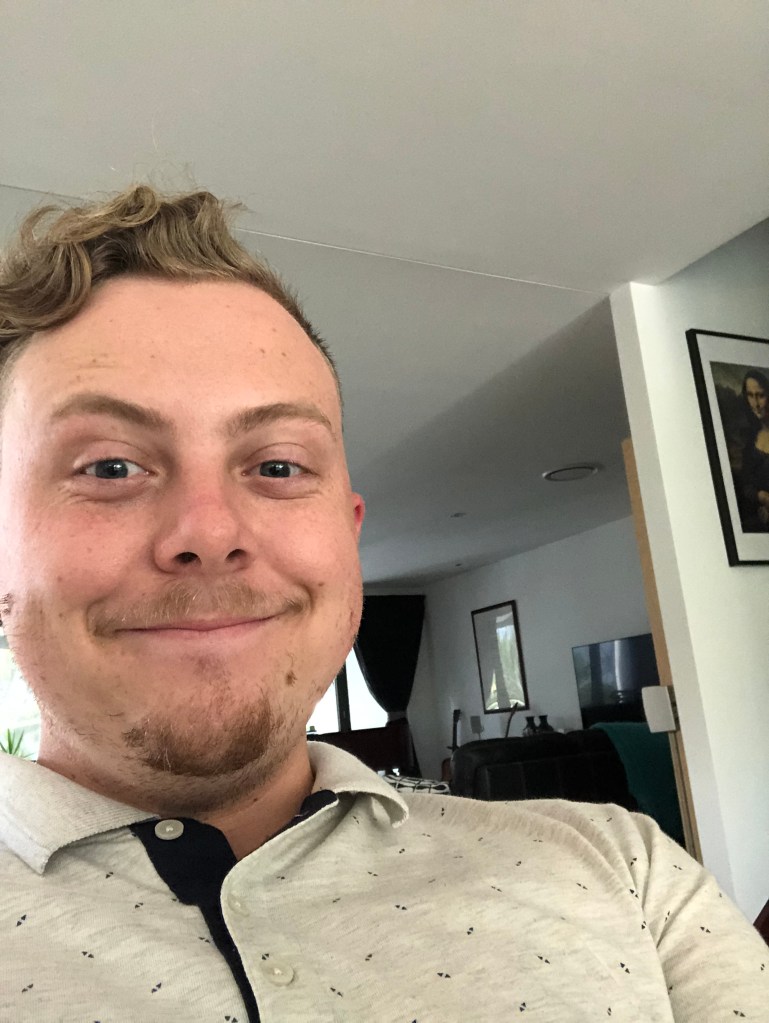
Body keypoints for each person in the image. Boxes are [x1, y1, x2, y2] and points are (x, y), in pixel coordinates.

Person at [0, 187, 765, 1023]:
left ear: (348, 533)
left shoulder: (628, 873)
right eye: (109, 466)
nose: (211, 533)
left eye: (278, 465)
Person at [738, 368, 769, 531]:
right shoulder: (751, 439)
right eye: (750, 395)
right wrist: (761, 496)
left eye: (761, 395)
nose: (755, 404)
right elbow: (746, 484)